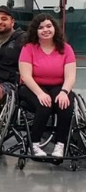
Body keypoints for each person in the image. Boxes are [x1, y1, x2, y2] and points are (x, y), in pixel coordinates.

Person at [18, 14, 76, 158]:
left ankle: (60, 145)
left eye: (49, 26)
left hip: (58, 86)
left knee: (65, 104)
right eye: (41, 27)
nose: (45, 30)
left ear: (54, 28)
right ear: (35, 31)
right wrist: (40, 93)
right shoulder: (28, 48)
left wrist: (64, 92)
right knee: (44, 105)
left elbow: (70, 76)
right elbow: (26, 76)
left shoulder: (66, 49)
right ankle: (35, 143)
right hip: (32, 86)